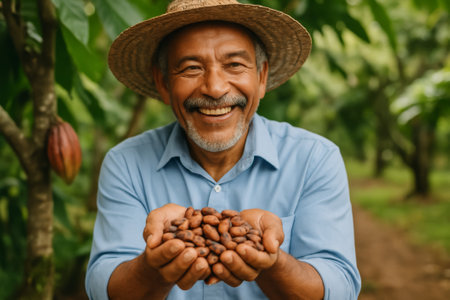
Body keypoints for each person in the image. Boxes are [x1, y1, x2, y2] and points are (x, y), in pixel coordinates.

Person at [85, 0, 361, 299]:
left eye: (234, 65)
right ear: (163, 84)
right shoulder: (126, 163)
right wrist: (154, 264)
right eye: (191, 68)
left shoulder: (314, 159)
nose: (215, 88)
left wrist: (272, 260)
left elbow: (340, 286)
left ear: (262, 77)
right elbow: (103, 287)